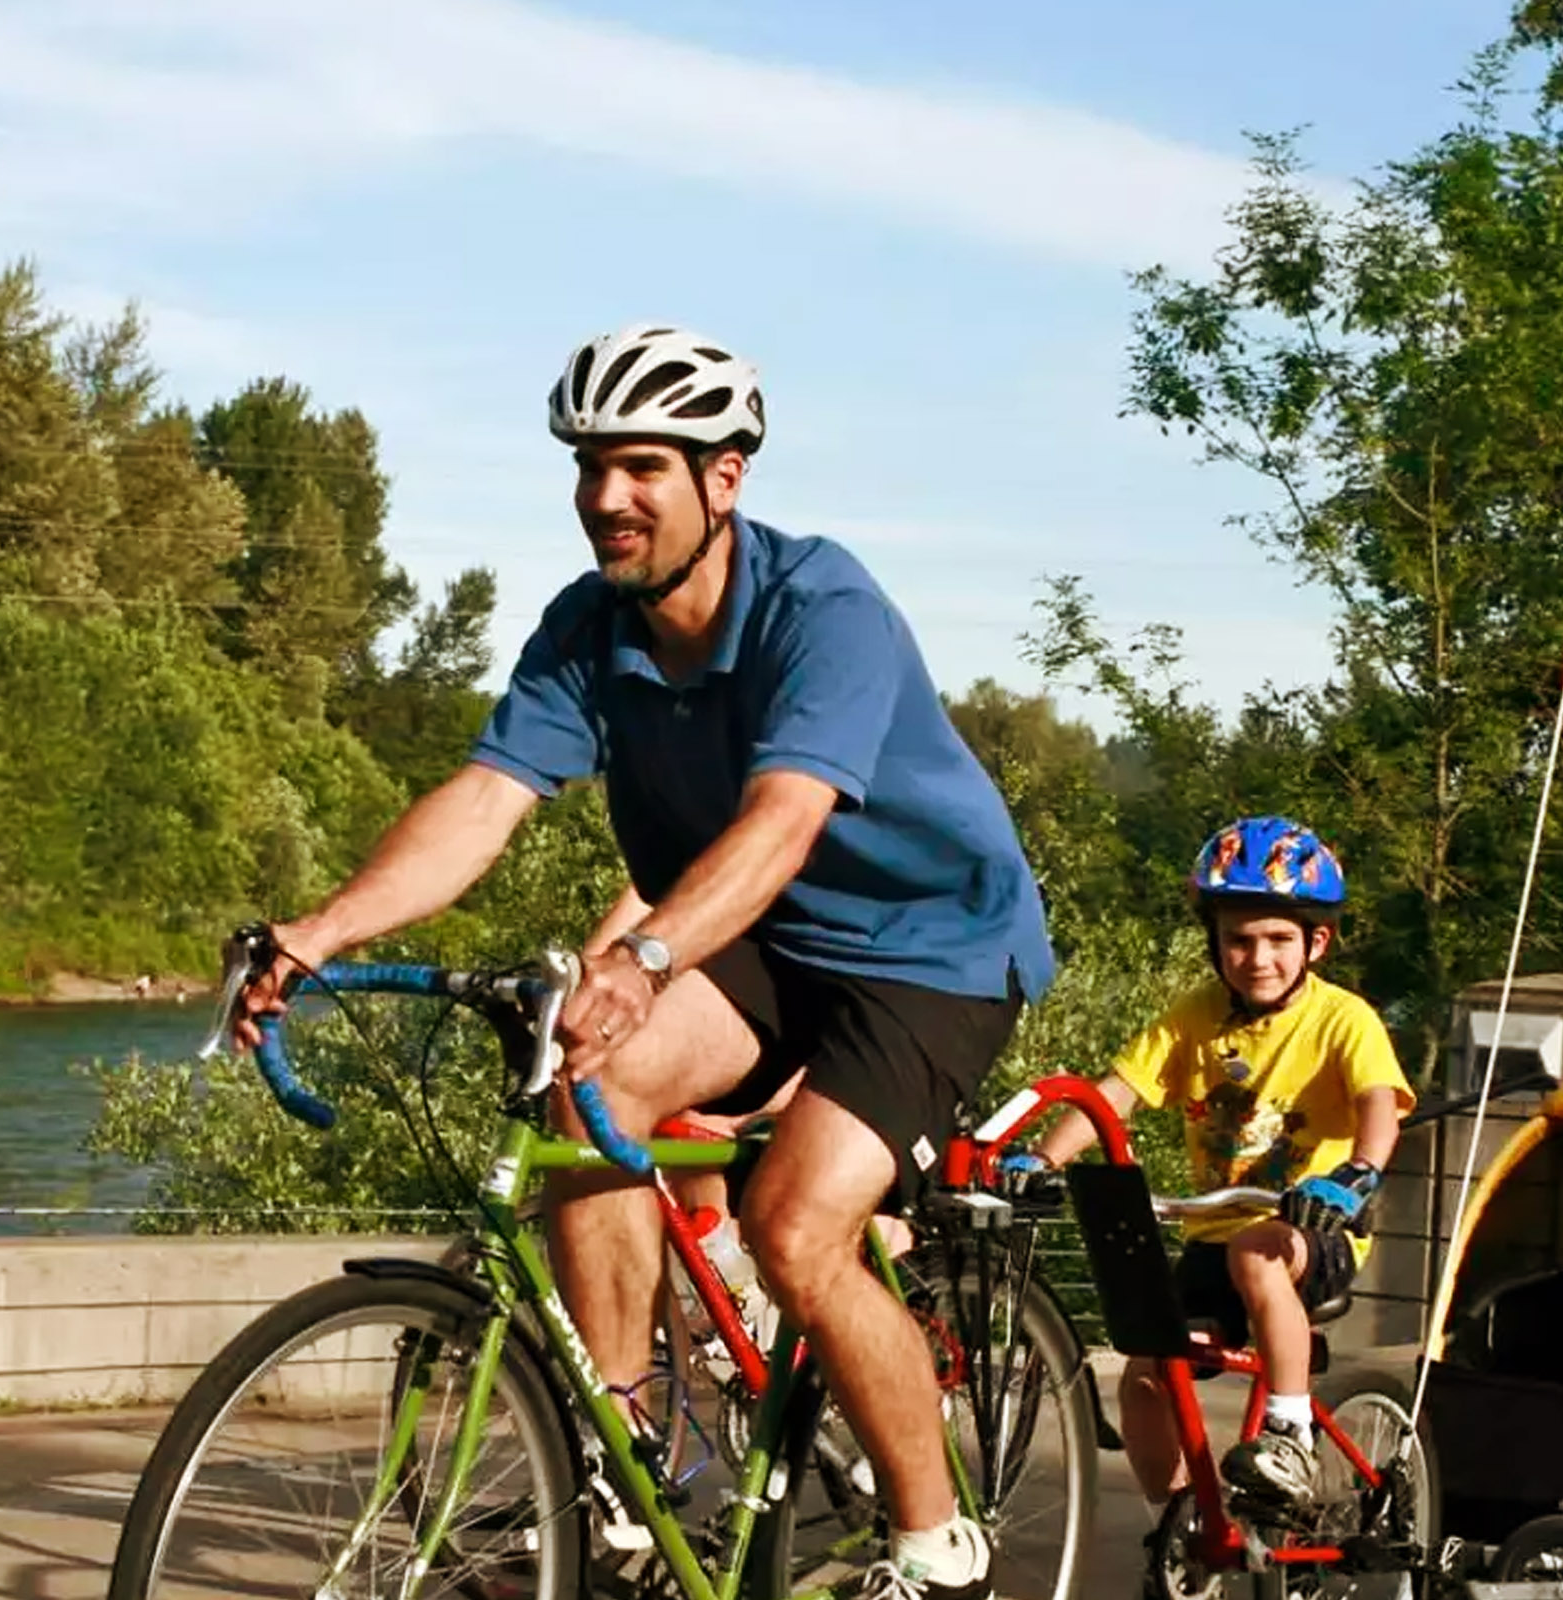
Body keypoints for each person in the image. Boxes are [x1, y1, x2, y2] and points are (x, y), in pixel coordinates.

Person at [236, 323, 1055, 1600]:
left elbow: (782, 819)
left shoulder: (820, 607)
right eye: (587, 469)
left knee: (793, 1225)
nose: (603, 499)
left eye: (639, 469)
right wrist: (317, 932)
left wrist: (648, 950)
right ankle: (632, 1472)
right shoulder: (589, 628)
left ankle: (934, 1542)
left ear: (723, 478)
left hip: (928, 948)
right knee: (590, 1089)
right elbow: (484, 799)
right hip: (769, 940)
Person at [1021, 816, 1413, 1513]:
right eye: (1238, 939)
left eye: (1277, 940)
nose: (1257, 957)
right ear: (1215, 943)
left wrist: (1357, 1174)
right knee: (1147, 1374)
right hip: (1210, 1244)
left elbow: (1380, 1103)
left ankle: (1289, 1433)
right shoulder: (1194, 1017)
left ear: (1315, 943)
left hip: (1309, 1228)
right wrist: (1042, 1157)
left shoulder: (1343, 1019)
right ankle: (1182, 1525)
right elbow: (1115, 1096)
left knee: (1257, 1255)